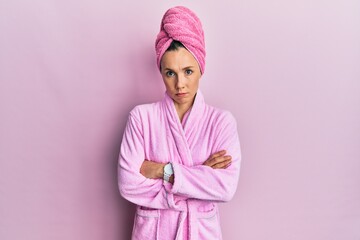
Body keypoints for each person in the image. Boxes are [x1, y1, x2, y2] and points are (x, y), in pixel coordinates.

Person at [118, 6, 241, 240]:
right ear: (161, 72)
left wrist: (163, 171)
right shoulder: (141, 118)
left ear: (200, 69)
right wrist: (201, 175)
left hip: (200, 233)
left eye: (188, 71)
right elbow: (128, 185)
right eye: (170, 73)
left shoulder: (221, 122)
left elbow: (225, 188)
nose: (180, 84)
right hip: (154, 233)